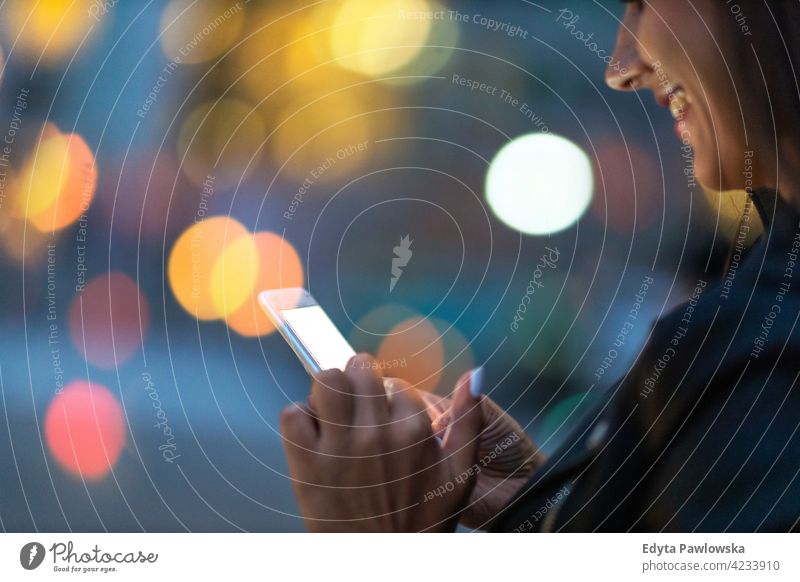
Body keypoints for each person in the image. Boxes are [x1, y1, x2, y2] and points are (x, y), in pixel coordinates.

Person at [279, 0, 800, 532]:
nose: (619, 67)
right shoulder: (762, 317)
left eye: (644, 3)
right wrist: (558, 508)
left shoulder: (768, 357)